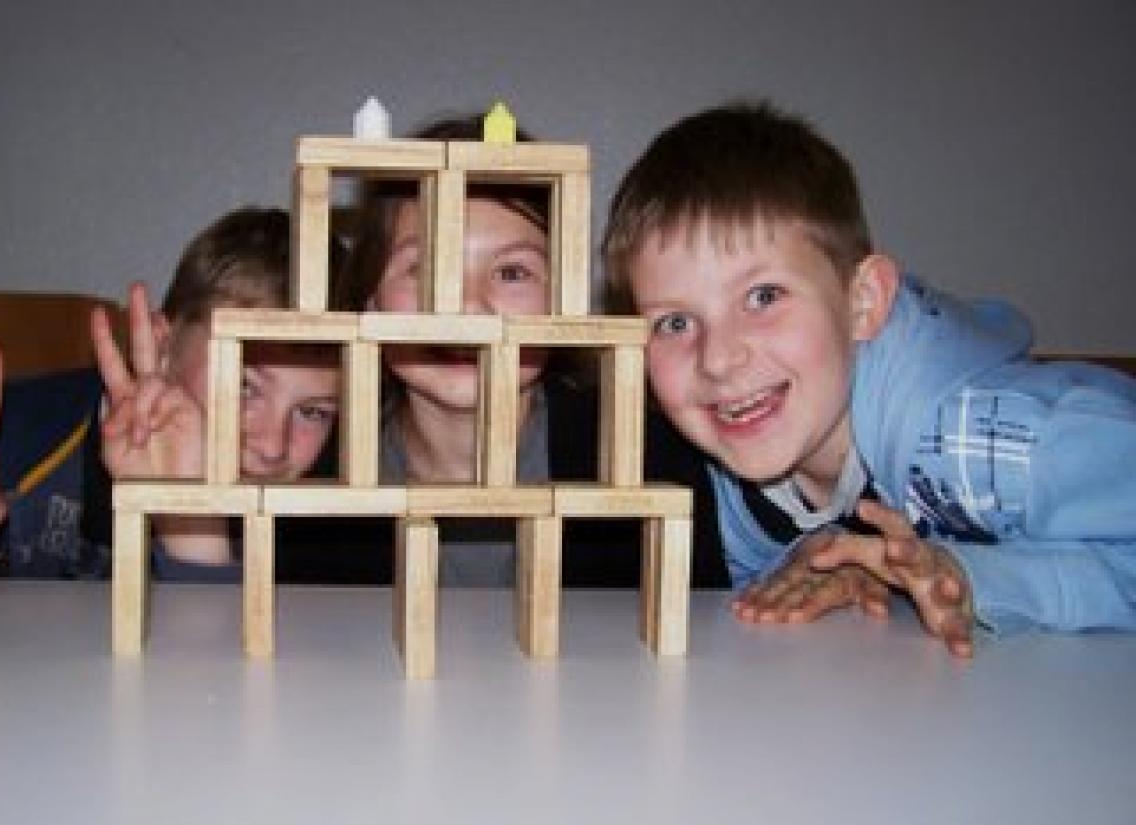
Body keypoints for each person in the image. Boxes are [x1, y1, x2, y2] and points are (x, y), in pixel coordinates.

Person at [602, 100, 1136, 656]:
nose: (716, 359)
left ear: (863, 302)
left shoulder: (995, 443)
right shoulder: (739, 468)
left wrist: (981, 579)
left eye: (763, 297)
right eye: (675, 322)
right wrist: (846, 573)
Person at [333, 112, 727, 587]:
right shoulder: (314, 472)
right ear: (369, 296)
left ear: (564, 299)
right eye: (426, 269)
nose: (470, 308)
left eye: (512, 273)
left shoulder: (650, 457)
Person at [0, 206, 341, 595]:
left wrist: (192, 527)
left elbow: (218, 687)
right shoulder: (1, 444)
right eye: (244, 385)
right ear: (162, 344)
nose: (271, 447)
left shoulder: (335, 521)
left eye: (313, 412)